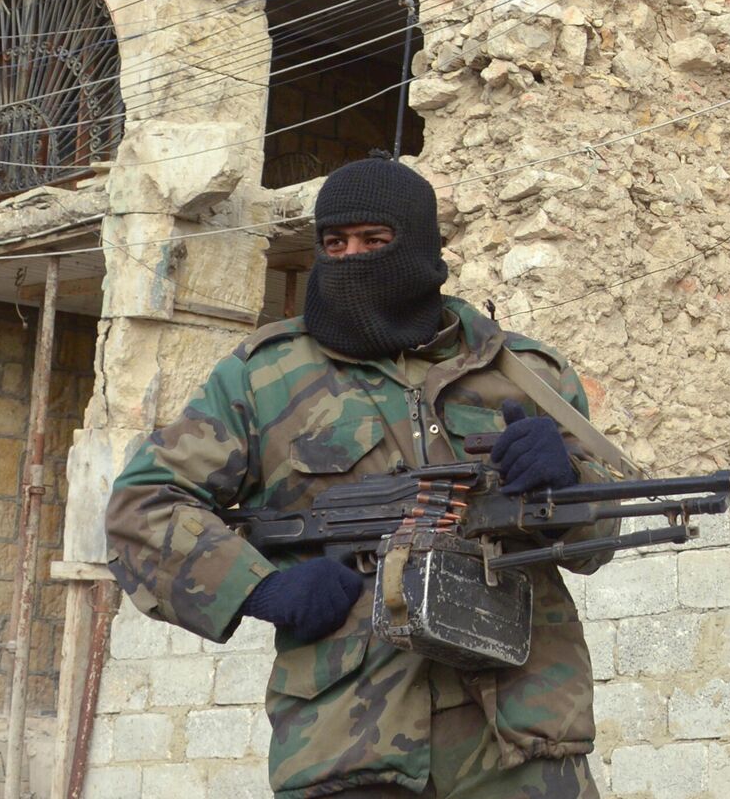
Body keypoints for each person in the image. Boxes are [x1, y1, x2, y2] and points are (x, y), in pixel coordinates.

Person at [106, 153, 630, 799]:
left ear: (421, 248)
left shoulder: (524, 373)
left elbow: (603, 534)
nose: (352, 259)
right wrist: (262, 590)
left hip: (521, 735)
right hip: (350, 738)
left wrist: (570, 483)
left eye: (374, 242)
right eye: (334, 243)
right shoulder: (263, 377)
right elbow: (142, 506)